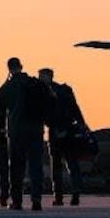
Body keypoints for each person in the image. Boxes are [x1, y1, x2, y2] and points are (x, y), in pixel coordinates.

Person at [0, 57, 48, 211]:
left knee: (17, 167)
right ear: (22, 67)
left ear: (9, 68)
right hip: (36, 130)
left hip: (17, 131)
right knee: (35, 166)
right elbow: (50, 101)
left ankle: (17, 201)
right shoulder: (35, 83)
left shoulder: (8, 87)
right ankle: (36, 199)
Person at [39, 67, 92, 207]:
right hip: (69, 131)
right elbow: (76, 109)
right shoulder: (65, 90)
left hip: (56, 132)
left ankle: (58, 196)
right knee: (72, 163)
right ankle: (75, 192)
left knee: (56, 166)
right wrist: (82, 125)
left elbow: (46, 114)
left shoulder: (45, 92)